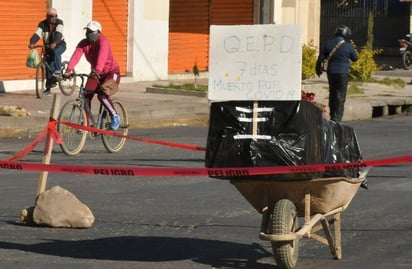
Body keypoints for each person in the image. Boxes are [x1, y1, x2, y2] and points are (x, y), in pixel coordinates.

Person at [63, 21, 121, 130]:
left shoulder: (103, 41)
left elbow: (102, 58)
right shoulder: (83, 43)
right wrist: (69, 70)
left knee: (102, 95)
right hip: (96, 73)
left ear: (99, 32)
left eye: (92, 31)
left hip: (111, 72)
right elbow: (76, 55)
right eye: (87, 31)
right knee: (86, 95)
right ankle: (86, 122)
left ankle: (115, 116)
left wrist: (97, 71)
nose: (89, 33)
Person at [316, 25, 358, 122]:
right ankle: (337, 117)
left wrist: (318, 70)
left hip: (331, 73)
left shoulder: (329, 43)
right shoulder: (348, 46)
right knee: (340, 95)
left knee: (332, 93)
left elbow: (320, 58)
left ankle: (332, 115)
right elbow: (355, 58)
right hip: (343, 73)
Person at [28, 7, 66, 96]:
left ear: (56, 16)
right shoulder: (42, 24)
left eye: (53, 16)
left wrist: (55, 43)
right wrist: (32, 42)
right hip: (48, 47)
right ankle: (48, 88)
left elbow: (58, 34)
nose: (51, 18)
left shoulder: (59, 23)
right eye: (49, 16)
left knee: (56, 52)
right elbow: (37, 34)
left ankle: (58, 71)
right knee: (48, 66)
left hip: (60, 45)